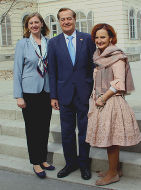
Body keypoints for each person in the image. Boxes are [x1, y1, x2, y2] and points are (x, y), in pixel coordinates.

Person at [86, 23, 141, 186]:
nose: (99, 40)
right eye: (96, 37)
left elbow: (118, 83)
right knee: (108, 138)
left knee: (111, 140)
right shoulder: (98, 55)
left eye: (103, 36)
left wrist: (103, 98)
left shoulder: (117, 56)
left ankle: (112, 174)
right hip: (101, 100)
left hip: (111, 101)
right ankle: (114, 169)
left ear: (111, 37)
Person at [47, 8, 96, 180]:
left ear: (75, 20)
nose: (66, 22)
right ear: (59, 22)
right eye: (62, 19)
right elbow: (52, 72)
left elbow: (93, 66)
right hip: (64, 94)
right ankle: (70, 164)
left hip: (84, 93)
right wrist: (53, 96)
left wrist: (95, 91)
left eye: (69, 18)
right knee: (67, 131)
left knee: (84, 131)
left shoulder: (88, 39)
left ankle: (84, 165)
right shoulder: (53, 43)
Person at [13, 12, 55, 179]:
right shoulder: (22, 44)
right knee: (32, 129)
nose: (34, 25)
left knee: (44, 126)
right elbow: (17, 70)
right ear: (27, 26)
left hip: (46, 90)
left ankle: (43, 159)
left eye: (37, 22)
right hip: (29, 92)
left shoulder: (49, 43)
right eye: (31, 23)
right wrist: (19, 96)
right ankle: (35, 162)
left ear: (42, 24)